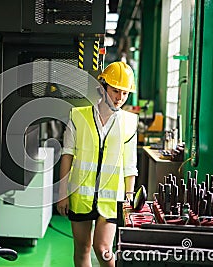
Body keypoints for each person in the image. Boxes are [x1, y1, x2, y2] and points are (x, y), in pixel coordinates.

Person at [57, 61, 138, 267]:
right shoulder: (78, 116)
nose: (120, 98)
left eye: (125, 93)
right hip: (80, 195)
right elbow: (67, 155)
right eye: (115, 91)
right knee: (82, 249)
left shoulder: (129, 123)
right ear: (102, 87)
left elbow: (130, 165)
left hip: (111, 199)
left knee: (103, 249)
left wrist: (129, 198)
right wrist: (62, 194)